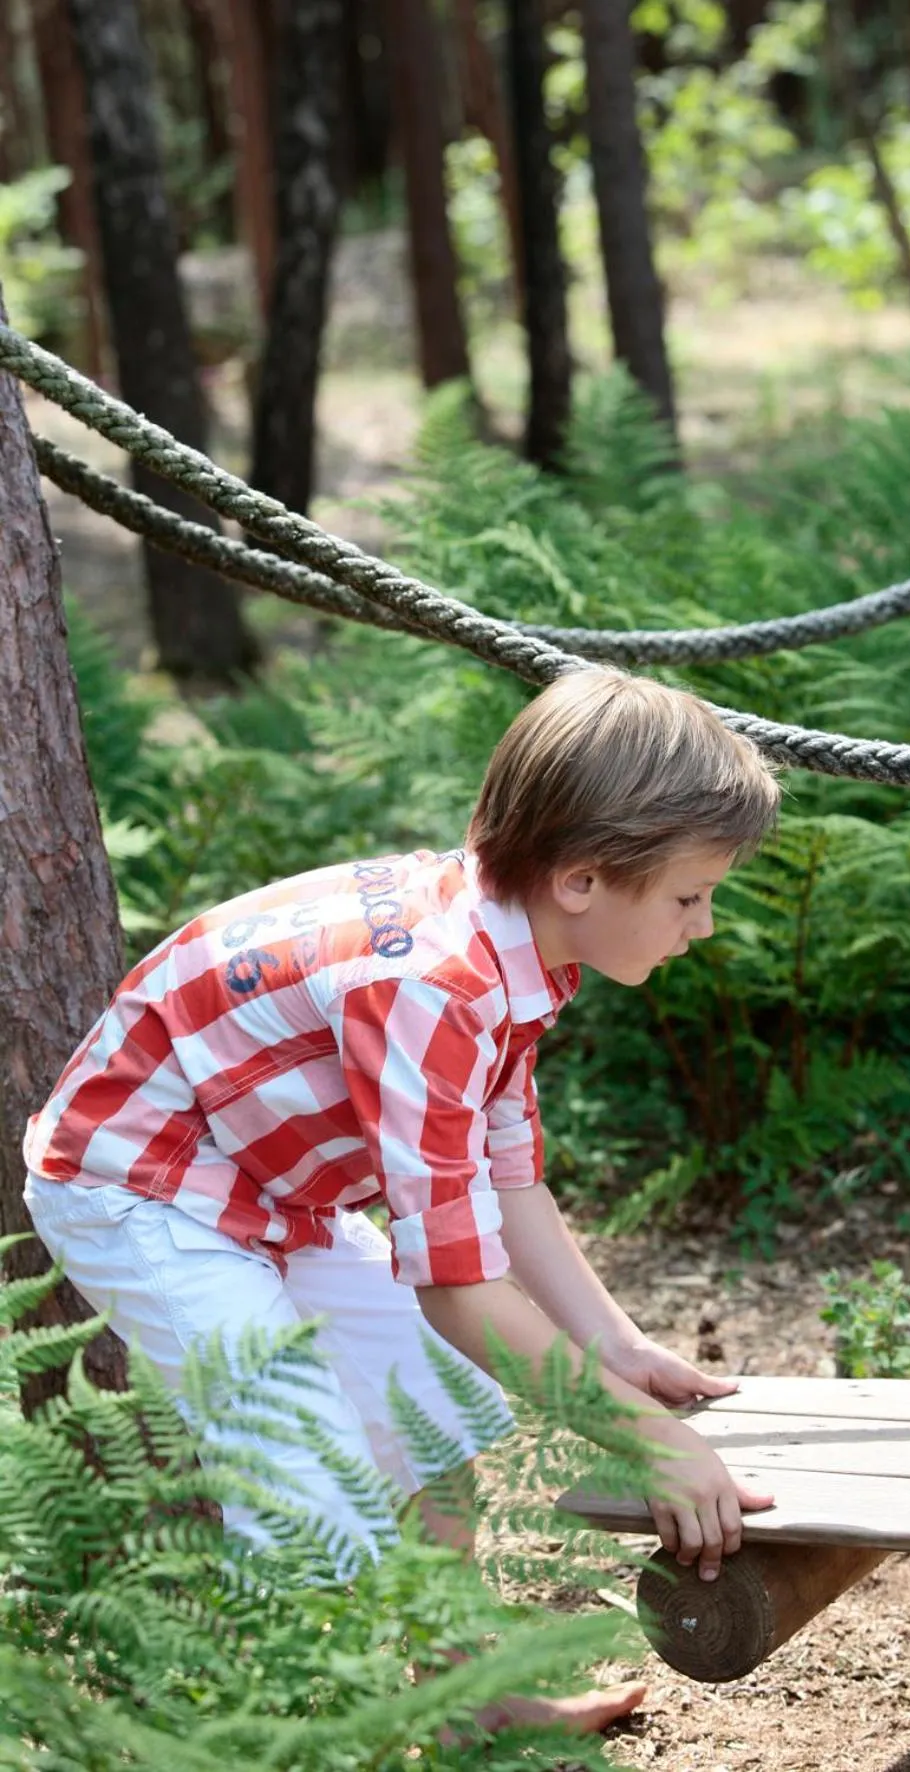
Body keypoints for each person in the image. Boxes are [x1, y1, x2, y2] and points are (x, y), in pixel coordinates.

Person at [23, 667, 780, 1734]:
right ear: (580, 877)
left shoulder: (517, 948)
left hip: (269, 1186)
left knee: (434, 1429)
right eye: (688, 895)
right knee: (306, 1479)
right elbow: (456, 1286)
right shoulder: (435, 981)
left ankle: (468, 1703)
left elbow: (506, 1173)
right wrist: (650, 1441)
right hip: (143, 1187)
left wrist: (610, 1344)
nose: (699, 925)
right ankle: (293, 1733)